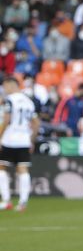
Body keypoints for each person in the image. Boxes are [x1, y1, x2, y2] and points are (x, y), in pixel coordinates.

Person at [0, 76, 40, 211]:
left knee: (1, 167)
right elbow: (36, 123)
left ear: (11, 85)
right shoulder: (29, 102)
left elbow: (6, 120)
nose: (4, 89)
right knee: (22, 169)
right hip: (24, 140)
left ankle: (6, 201)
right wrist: (31, 140)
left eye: (5, 86)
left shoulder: (10, 100)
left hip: (9, 138)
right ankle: (23, 203)